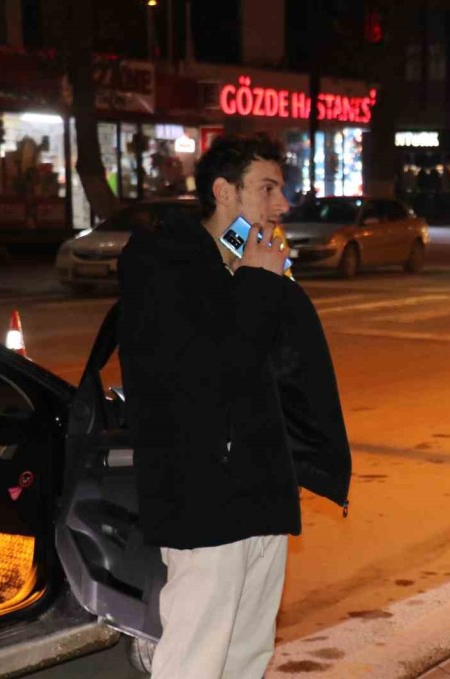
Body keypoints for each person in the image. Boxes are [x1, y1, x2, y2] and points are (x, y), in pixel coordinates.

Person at [118, 132, 351, 679]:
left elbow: (290, 376)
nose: (282, 204)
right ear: (224, 191)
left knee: (247, 655)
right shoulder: (164, 267)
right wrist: (257, 285)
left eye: (281, 189)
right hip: (203, 500)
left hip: (262, 493)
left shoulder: (257, 268)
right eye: (267, 188)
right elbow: (205, 372)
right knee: (197, 657)